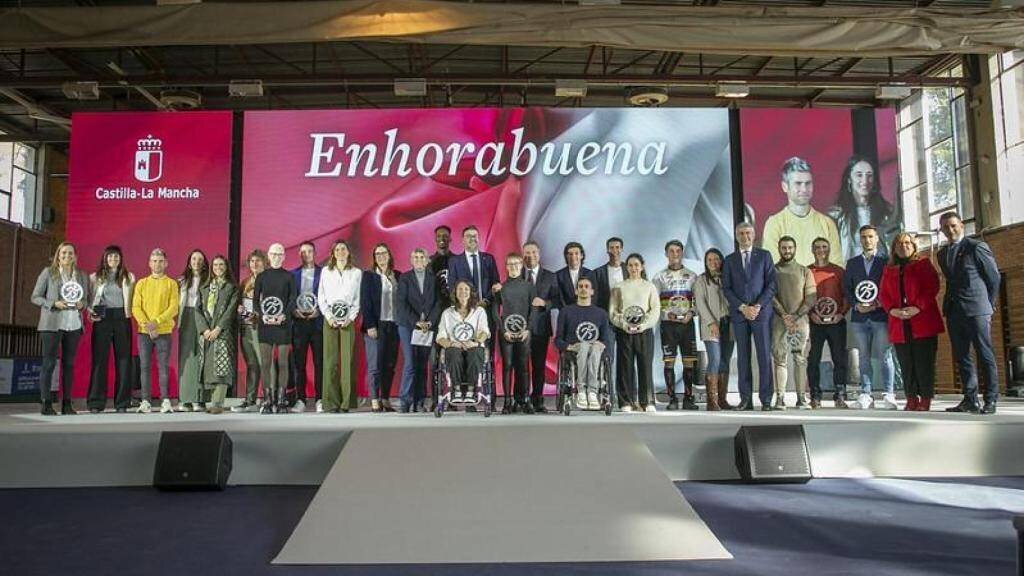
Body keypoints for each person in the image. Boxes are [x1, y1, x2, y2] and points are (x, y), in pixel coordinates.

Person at [937, 212, 1001, 414]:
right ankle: (970, 399)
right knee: (962, 357)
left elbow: (994, 278)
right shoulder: (941, 253)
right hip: (954, 311)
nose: (950, 230)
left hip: (977, 309)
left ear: (962, 226)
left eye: (953, 225)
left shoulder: (976, 247)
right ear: (942, 230)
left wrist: (988, 305)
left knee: (985, 354)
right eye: (946, 227)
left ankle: (990, 400)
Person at [879, 233, 944, 412]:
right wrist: (893, 310)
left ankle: (925, 398)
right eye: (899, 244)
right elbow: (883, 294)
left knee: (924, 363)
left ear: (914, 246)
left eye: (907, 243)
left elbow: (932, 287)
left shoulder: (923, 264)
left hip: (922, 321)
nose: (904, 246)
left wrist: (917, 308)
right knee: (906, 363)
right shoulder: (888, 269)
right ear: (894, 248)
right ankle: (910, 398)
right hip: (899, 323)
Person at [722, 222, 777, 411]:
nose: (745, 236)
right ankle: (745, 400)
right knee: (743, 358)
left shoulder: (764, 256)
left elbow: (771, 285)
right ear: (736, 236)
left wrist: (757, 306)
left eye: (748, 233)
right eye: (741, 233)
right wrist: (743, 307)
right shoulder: (729, 260)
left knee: (763, 357)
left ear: (753, 235)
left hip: (761, 314)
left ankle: (766, 399)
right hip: (740, 315)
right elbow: (726, 289)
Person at [31, 241, 90, 416]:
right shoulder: (48, 273)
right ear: (58, 255)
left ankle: (66, 404)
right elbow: (35, 297)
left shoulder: (82, 276)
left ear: (75, 257)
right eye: (63, 253)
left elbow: (86, 300)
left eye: (70, 253)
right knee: (48, 364)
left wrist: (82, 304)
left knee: (69, 365)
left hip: (74, 324)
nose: (67, 256)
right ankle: (46, 403)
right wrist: (53, 303)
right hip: (51, 325)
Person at [843, 225, 898, 410]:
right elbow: (847, 289)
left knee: (885, 356)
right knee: (864, 357)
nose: (867, 240)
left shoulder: (886, 261)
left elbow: (890, 287)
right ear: (860, 240)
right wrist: (855, 305)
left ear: (877, 239)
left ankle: (889, 394)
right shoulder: (852, 263)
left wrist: (878, 304)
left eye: (870, 236)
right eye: (864, 237)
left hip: (880, 316)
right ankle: (866, 394)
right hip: (859, 317)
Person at [761, 157, 843, 267]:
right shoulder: (774, 224)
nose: (804, 189)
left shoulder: (827, 224)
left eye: (808, 183)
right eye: (798, 183)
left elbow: (837, 269)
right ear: (785, 186)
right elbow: (774, 270)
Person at [652, 239, 700, 410]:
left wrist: (691, 313)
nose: (674, 254)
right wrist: (667, 314)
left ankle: (688, 398)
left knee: (689, 362)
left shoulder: (692, 276)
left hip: (687, 325)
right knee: (669, 362)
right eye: (671, 251)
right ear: (666, 254)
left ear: (682, 253)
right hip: (669, 326)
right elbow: (654, 304)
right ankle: (672, 399)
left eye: (678, 251)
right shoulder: (659, 277)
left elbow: (698, 302)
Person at [86, 245, 134, 413]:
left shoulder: (129, 277)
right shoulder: (95, 277)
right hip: (102, 317)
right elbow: (88, 300)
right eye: (110, 257)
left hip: (122, 318)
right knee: (100, 361)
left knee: (123, 361)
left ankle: (122, 403)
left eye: (116, 257)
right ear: (105, 258)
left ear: (121, 259)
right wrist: (91, 312)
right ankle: (96, 403)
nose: (113, 260)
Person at [610, 253, 661, 412]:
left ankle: (648, 401)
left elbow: (655, 309)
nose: (633, 268)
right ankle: (626, 401)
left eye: (636, 265)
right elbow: (613, 311)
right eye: (630, 265)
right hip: (625, 331)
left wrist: (644, 325)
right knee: (625, 366)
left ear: (642, 266)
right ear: (627, 267)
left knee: (645, 365)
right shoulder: (619, 287)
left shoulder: (649, 286)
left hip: (644, 332)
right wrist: (624, 325)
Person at [770, 236, 817, 410]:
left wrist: (796, 316)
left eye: (790, 247)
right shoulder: (772, 271)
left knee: (800, 359)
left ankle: (801, 399)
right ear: (779, 249)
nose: (787, 251)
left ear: (795, 248)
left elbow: (811, 297)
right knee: (780, 359)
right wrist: (784, 315)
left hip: (801, 321)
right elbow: (770, 295)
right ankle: (780, 398)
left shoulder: (805, 271)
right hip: (778, 321)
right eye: (784, 248)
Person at [131, 248, 179, 414]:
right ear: (149, 263)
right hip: (144, 332)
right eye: (154, 261)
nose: (157, 264)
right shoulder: (142, 283)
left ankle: (165, 400)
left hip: (163, 331)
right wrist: (146, 325)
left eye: (160, 261)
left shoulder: (171, 283)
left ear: (166, 263)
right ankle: (145, 401)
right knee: (144, 367)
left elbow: (173, 308)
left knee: (163, 366)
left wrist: (156, 322)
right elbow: (135, 307)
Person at [555, 276, 614, 410]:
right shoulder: (566, 312)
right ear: (576, 291)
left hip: (594, 350)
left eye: (586, 287)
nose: (583, 289)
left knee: (592, 347)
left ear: (592, 292)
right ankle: (581, 390)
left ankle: (592, 391)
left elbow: (606, 339)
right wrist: (568, 346)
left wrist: (601, 345)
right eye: (580, 287)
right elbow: (558, 339)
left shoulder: (601, 314)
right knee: (584, 345)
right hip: (575, 350)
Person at [827, 155, 901, 262]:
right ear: (849, 179)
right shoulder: (837, 216)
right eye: (859, 175)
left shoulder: (885, 214)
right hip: (850, 273)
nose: (865, 180)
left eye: (869, 175)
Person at [318, 240, 362, 413]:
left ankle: (346, 403)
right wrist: (328, 316)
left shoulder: (356, 273)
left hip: (347, 322)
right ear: (333, 253)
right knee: (330, 361)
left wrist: (350, 318)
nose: (341, 252)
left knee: (347, 361)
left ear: (348, 252)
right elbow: (321, 296)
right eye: (337, 249)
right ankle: (331, 402)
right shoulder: (326, 272)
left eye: (344, 248)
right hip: (329, 321)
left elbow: (357, 299)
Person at [807, 237, 850, 409]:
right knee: (813, 360)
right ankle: (815, 396)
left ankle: (840, 394)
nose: (821, 250)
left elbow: (846, 294)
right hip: (815, 322)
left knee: (839, 359)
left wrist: (842, 313)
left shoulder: (838, 271)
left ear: (829, 249)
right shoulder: (807, 271)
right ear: (812, 249)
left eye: (824, 246)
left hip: (836, 322)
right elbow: (803, 296)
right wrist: (810, 314)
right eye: (817, 247)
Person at [396, 248, 441, 413]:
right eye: (415, 257)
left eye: (422, 257)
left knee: (422, 364)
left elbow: (438, 303)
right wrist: (416, 322)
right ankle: (405, 400)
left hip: (427, 327)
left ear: (427, 260)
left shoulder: (433, 279)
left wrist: (429, 322)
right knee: (410, 362)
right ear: (411, 260)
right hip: (408, 325)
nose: (419, 259)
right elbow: (401, 303)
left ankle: (420, 400)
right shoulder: (405, 278)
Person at [254, 243, 296, 414]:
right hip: (265, 324)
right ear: (268, 256)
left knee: (283, 362)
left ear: (284, 256)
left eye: (280, 254)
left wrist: (284, 315)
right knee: (265, 363)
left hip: (283, 324)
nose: (277, 257)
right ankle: (268, 399)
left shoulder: (289, 277)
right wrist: (262, 315)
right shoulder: (261, 277)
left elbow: (293, 298)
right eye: (273, 254)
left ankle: (281, 399)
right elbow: (256, 301)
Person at [494, 252, 537, 413]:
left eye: (516, 264)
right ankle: (507, 400)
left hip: (524, 332)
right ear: (506, 267)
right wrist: (503, 330)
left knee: (524, 366)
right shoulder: (500, 287)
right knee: (507, 366)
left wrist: (528, 329)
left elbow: (533, 310)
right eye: (510, 264)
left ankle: (524, 399)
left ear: (521, 266)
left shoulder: (529, 287)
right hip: (506, 334)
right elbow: (495, 311)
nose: (513, 267)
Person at [361, 243, 402, 412]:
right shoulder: (369, 276)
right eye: (377, 254)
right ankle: (375, 399)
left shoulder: (398, 276)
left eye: (383, 253)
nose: (381, 257)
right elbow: (365, 302)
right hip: (376, 325)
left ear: (389, 255)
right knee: (375, 365)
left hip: (394, 325)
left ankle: (385, 397)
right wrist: (370, 325)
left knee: (389, 364)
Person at [196, 255, 239, 415]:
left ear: (226, 267)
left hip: (223, 333)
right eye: (215, 265)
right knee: (209, 368)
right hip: (207, 333)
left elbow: (230, 311)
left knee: (222, 367)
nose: (218, 267)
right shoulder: (205, 288)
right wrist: (205, 330)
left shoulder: (232, 288)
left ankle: (218, 403)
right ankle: (211, 401)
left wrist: (218, 329)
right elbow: (197, 310)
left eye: (221, 265)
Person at [436, 280, 491, 402]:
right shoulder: (447, 313)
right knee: (453, 353)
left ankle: (471, 391)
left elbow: (484, 332)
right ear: (455, 293)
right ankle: (456, 390)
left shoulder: (479, 311)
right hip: (454, 346)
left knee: (476, 352)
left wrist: (475, 342)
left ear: (471, 292)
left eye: (466, 289)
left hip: (473, 345)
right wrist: (451, 343)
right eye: (460, 289)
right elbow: (440, 336)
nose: (463, 292)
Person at [693, 248, 733, 411]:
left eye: (716, 259)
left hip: (728, 323)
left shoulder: (728, 278)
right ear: (705, 262)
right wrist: (711, 323)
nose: (713, 263)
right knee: (715, 359)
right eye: (709, 260)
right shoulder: (701, 280)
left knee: (725, 360)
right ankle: (712, 400)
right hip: (711, 326)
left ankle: (722, 399)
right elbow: (700, 304)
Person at [523, 241, 558, 413]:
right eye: (527, 253)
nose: (530, 256)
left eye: (534, 253)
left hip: (541, 328)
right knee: (522, 366)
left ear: (539, 254)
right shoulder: (517, 274)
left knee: (538, 366)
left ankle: (538, 399)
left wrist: (545, 302)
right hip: (520, 329)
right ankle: (522, 399)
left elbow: (557, 300)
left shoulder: (550, 276)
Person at [289, 240, 323, 413]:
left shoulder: (324, 273)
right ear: (299, 254)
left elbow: (328, 296)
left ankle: (320, 399)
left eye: (309, 251)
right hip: (299, 324)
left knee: (319, 363)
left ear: (314, 253)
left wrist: (321, 311)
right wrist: (293, 311)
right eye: (303, 252)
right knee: (299, 364)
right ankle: (300, 399)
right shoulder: (292, 274)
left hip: (317, 324)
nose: (306, 254)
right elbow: (288, 298)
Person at [232, 249, 266, 413]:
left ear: (264, 262)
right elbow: (239, 306)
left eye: (258, 261)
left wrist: (253, 315)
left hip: (261, 329)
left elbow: (270, 307)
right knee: (251, 365)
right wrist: (241, 313)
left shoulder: (268, 281)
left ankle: (268, 399)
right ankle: (250, 399)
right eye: (252, 261)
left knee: (263, 364)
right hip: (245, 328)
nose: (254, 264)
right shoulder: (245, 282)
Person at [176, 249, 209, 412]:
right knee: (186, 357)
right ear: (189, 262)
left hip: (202, 317)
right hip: (187, 317)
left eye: (200, 259)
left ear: (204, 263)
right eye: (194, 259)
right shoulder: (181, 281)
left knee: (201, 356)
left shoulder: (209, 280)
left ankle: (199, 399)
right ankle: (184, 398)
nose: (196, 262)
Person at [555, 241, 594, 308]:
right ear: (566, 256)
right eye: (570, 254)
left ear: (581, 256)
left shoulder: (590, 274)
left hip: (587, 312)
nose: (573, 256)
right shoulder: (558, 275)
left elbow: (594, 297)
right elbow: (559, 299)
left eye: (576, 253)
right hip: (566, 314)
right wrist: (569, 312)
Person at [593, 237, 626, 312]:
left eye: (617, 247)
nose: (614, 250)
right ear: (607, 250)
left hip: (627, 313)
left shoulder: (629, 269)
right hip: (606, 313)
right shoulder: (598, 273)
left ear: (621, 249)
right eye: (611, 248)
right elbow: (595, 297)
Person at [429, 225, 453, 305]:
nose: (442, 239)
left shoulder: (458, 260)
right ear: (435, 239)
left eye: (445, 236)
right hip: (434, 304)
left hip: (454, 304)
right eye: (438, 236)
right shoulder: (427, 262)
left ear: (450, 239)